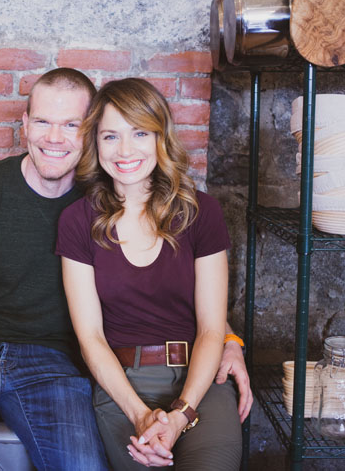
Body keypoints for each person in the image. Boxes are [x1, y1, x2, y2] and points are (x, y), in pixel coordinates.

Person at [0, 68, 250, 471]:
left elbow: (165, 282)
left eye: (70, 124)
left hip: (49, 361)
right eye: (42, 122)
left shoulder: (107, 197)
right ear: (24, 124)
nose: (54, 139)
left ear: (89, 131)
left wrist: (228, 339)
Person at [56, 78, 243, 470]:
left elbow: (212, 329)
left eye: (140, 132)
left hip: (199, 379)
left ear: (161, 136)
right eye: (110, 136)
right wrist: (141, 415)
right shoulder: (77, 221)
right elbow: (90, 337)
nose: (125, 150)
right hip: (120, 385)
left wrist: (180, 414)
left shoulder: (200, 213)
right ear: (96, 144)